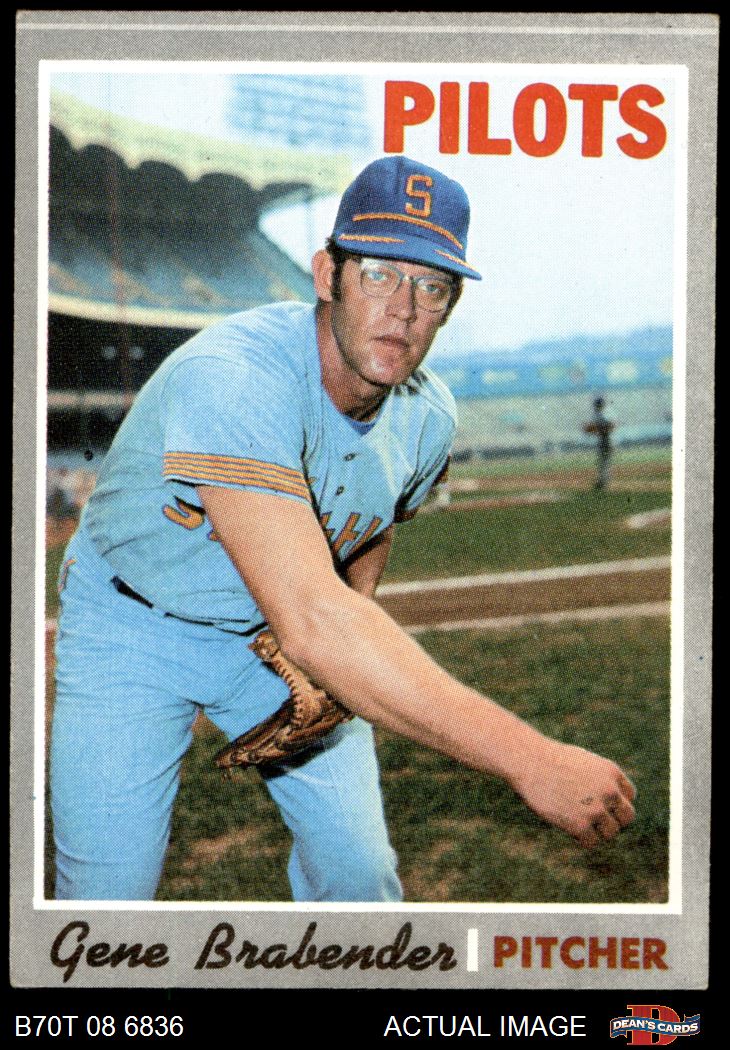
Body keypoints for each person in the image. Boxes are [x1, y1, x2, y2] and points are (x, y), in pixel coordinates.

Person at [51, 156, 635, 902]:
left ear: (449, 306)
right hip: (133, 628)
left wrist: (341, 641)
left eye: (431, 286)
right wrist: (531, 757)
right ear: (327, 274)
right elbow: (314, 617)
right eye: (380, 274)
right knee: (106, 903)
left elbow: (371, 524)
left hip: (271, 640)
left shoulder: (427, 417)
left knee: (361, 876)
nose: (404, 309)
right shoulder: (236, 373)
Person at [584, 395, 616, 490]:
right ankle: (602, 480)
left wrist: (596, 429)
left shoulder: (603, 414)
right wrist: (594, 429)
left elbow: (611, 425)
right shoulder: (601, 414)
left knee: (604, 461)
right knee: (603, 461)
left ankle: (603, 481)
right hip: (604, 439)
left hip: (606, 439)